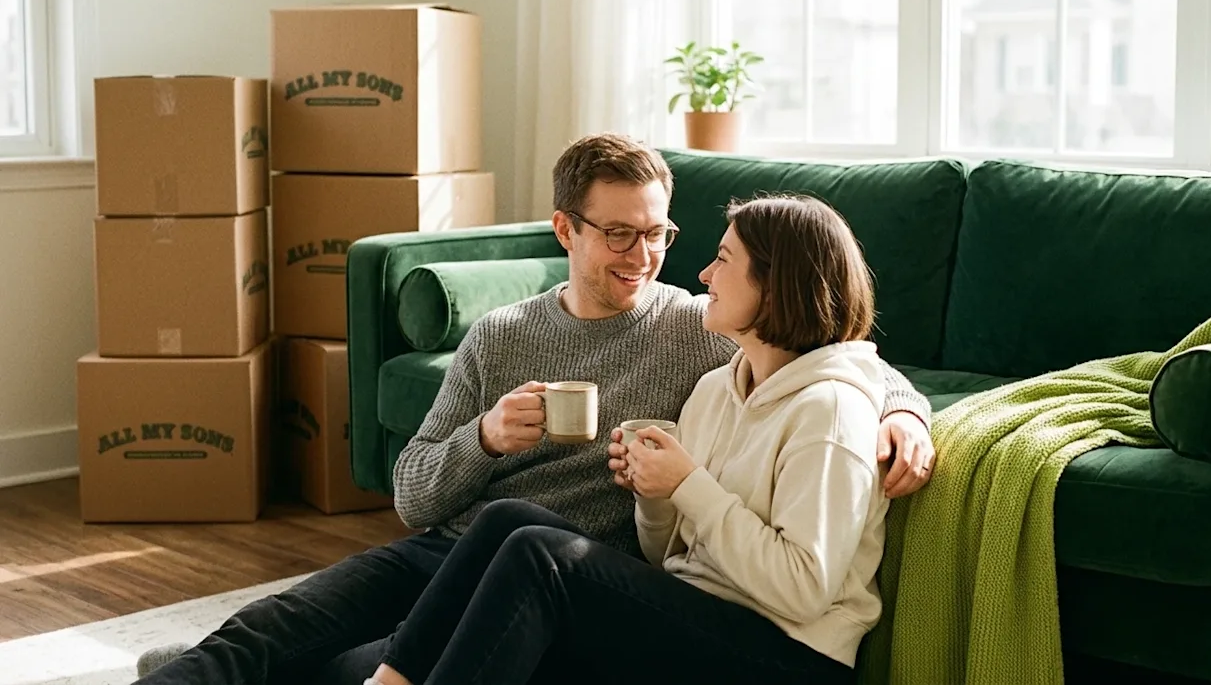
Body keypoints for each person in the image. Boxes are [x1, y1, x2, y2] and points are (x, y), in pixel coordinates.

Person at [134, 133, 935, 684]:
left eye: (658, 233)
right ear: (565, 230)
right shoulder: (504, 336)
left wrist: (905, 414)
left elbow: (833, 353)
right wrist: (484, 438)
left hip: (563, 574)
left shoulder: (698, 333)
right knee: (273, 626)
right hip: (458, 548)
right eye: (619, 234)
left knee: (345, 665)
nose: (647, 258)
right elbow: (412, 494)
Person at [363, 193, 889, 685]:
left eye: (724, 260)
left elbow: (802, 591)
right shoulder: (716, 389)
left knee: (541, 556)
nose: (705, 274)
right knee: (509, 520)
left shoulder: (830, 413)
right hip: (700, 613)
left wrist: (689, 485)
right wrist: (653, 496)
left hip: (788, 653)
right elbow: (665, 556)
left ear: (774, 286)